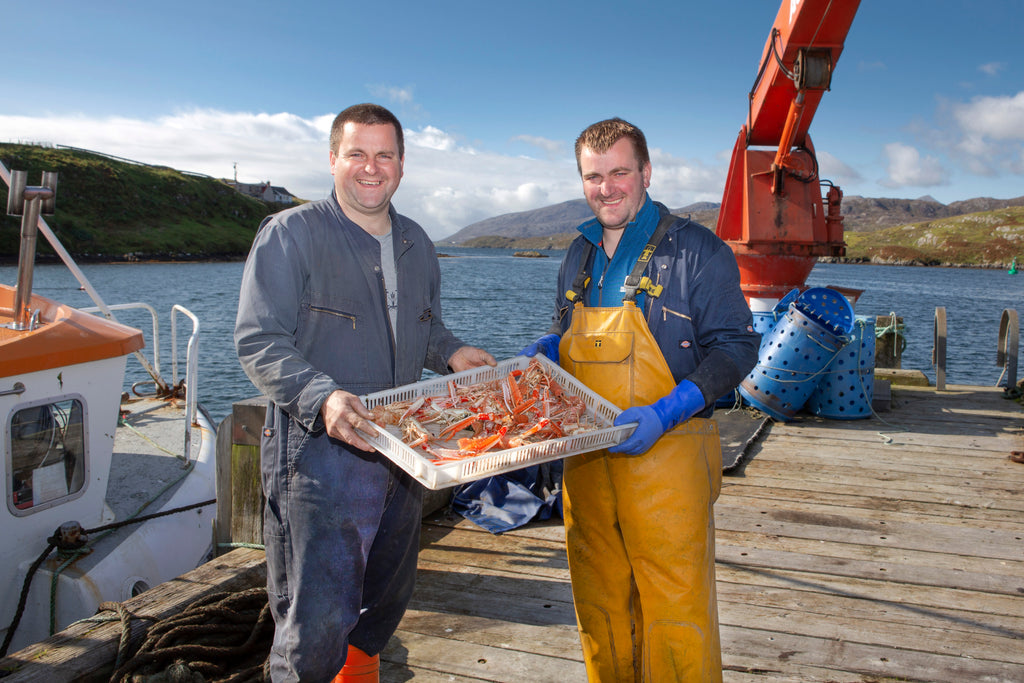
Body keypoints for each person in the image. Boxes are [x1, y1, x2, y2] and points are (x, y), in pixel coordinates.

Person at [234, 103, 496, 683]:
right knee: (315, 615)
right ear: (332, 160)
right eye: (357, 153)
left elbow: (422, 324)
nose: (370, 167)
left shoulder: (417, 241)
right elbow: (258, 340)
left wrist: (451, 351)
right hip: (318, 455)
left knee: (384, 595)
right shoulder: (290, 234)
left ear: (401, 165)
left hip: (403, 447)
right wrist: (322, 396)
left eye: (384, 155)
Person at [522, 117, 759, 681]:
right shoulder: (577, 255)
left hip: (669, 455)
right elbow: (577, 336)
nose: (607, 188)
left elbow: (737, 347)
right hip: (585, 462)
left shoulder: (699, 251)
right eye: (593, 176)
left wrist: (666, 412)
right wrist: (549, 349)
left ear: (645, 173)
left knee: (677, 609)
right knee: (598, 603)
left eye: (619, 172)